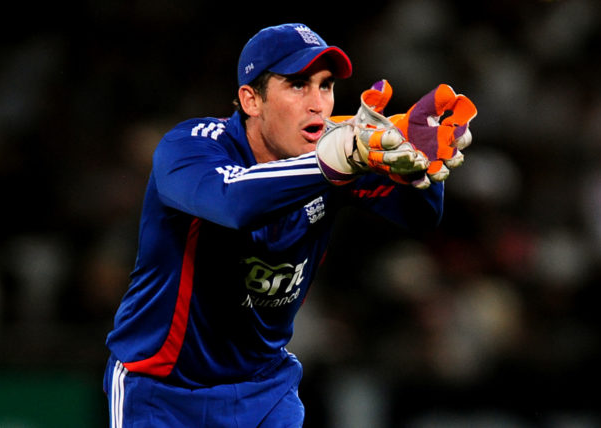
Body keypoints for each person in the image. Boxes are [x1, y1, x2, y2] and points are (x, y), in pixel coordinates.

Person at [103, 23, 475, 427]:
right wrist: (330, 163)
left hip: (264, 389)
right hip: (163, 390)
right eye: (298, 85)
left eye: (326, 85)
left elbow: (420, 217)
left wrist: (417, 165)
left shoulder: (340, 149)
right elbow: (233, 202)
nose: (318, 104)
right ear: (251, 100)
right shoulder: (190, 145)